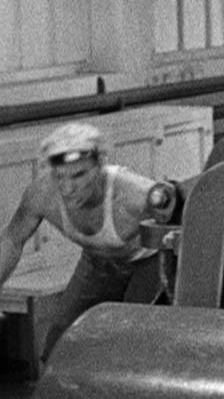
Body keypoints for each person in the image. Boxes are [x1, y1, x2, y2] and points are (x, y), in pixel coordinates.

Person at [0, 122, 161, 361]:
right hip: (97, 263)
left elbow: (187, 232)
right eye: (60, 176)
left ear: (100, 165)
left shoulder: (134, 194)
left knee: (133, 347)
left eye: (79, 175)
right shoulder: (42, 194)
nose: (68, 188)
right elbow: (13, 239)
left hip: (147, 264)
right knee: (59, 349)